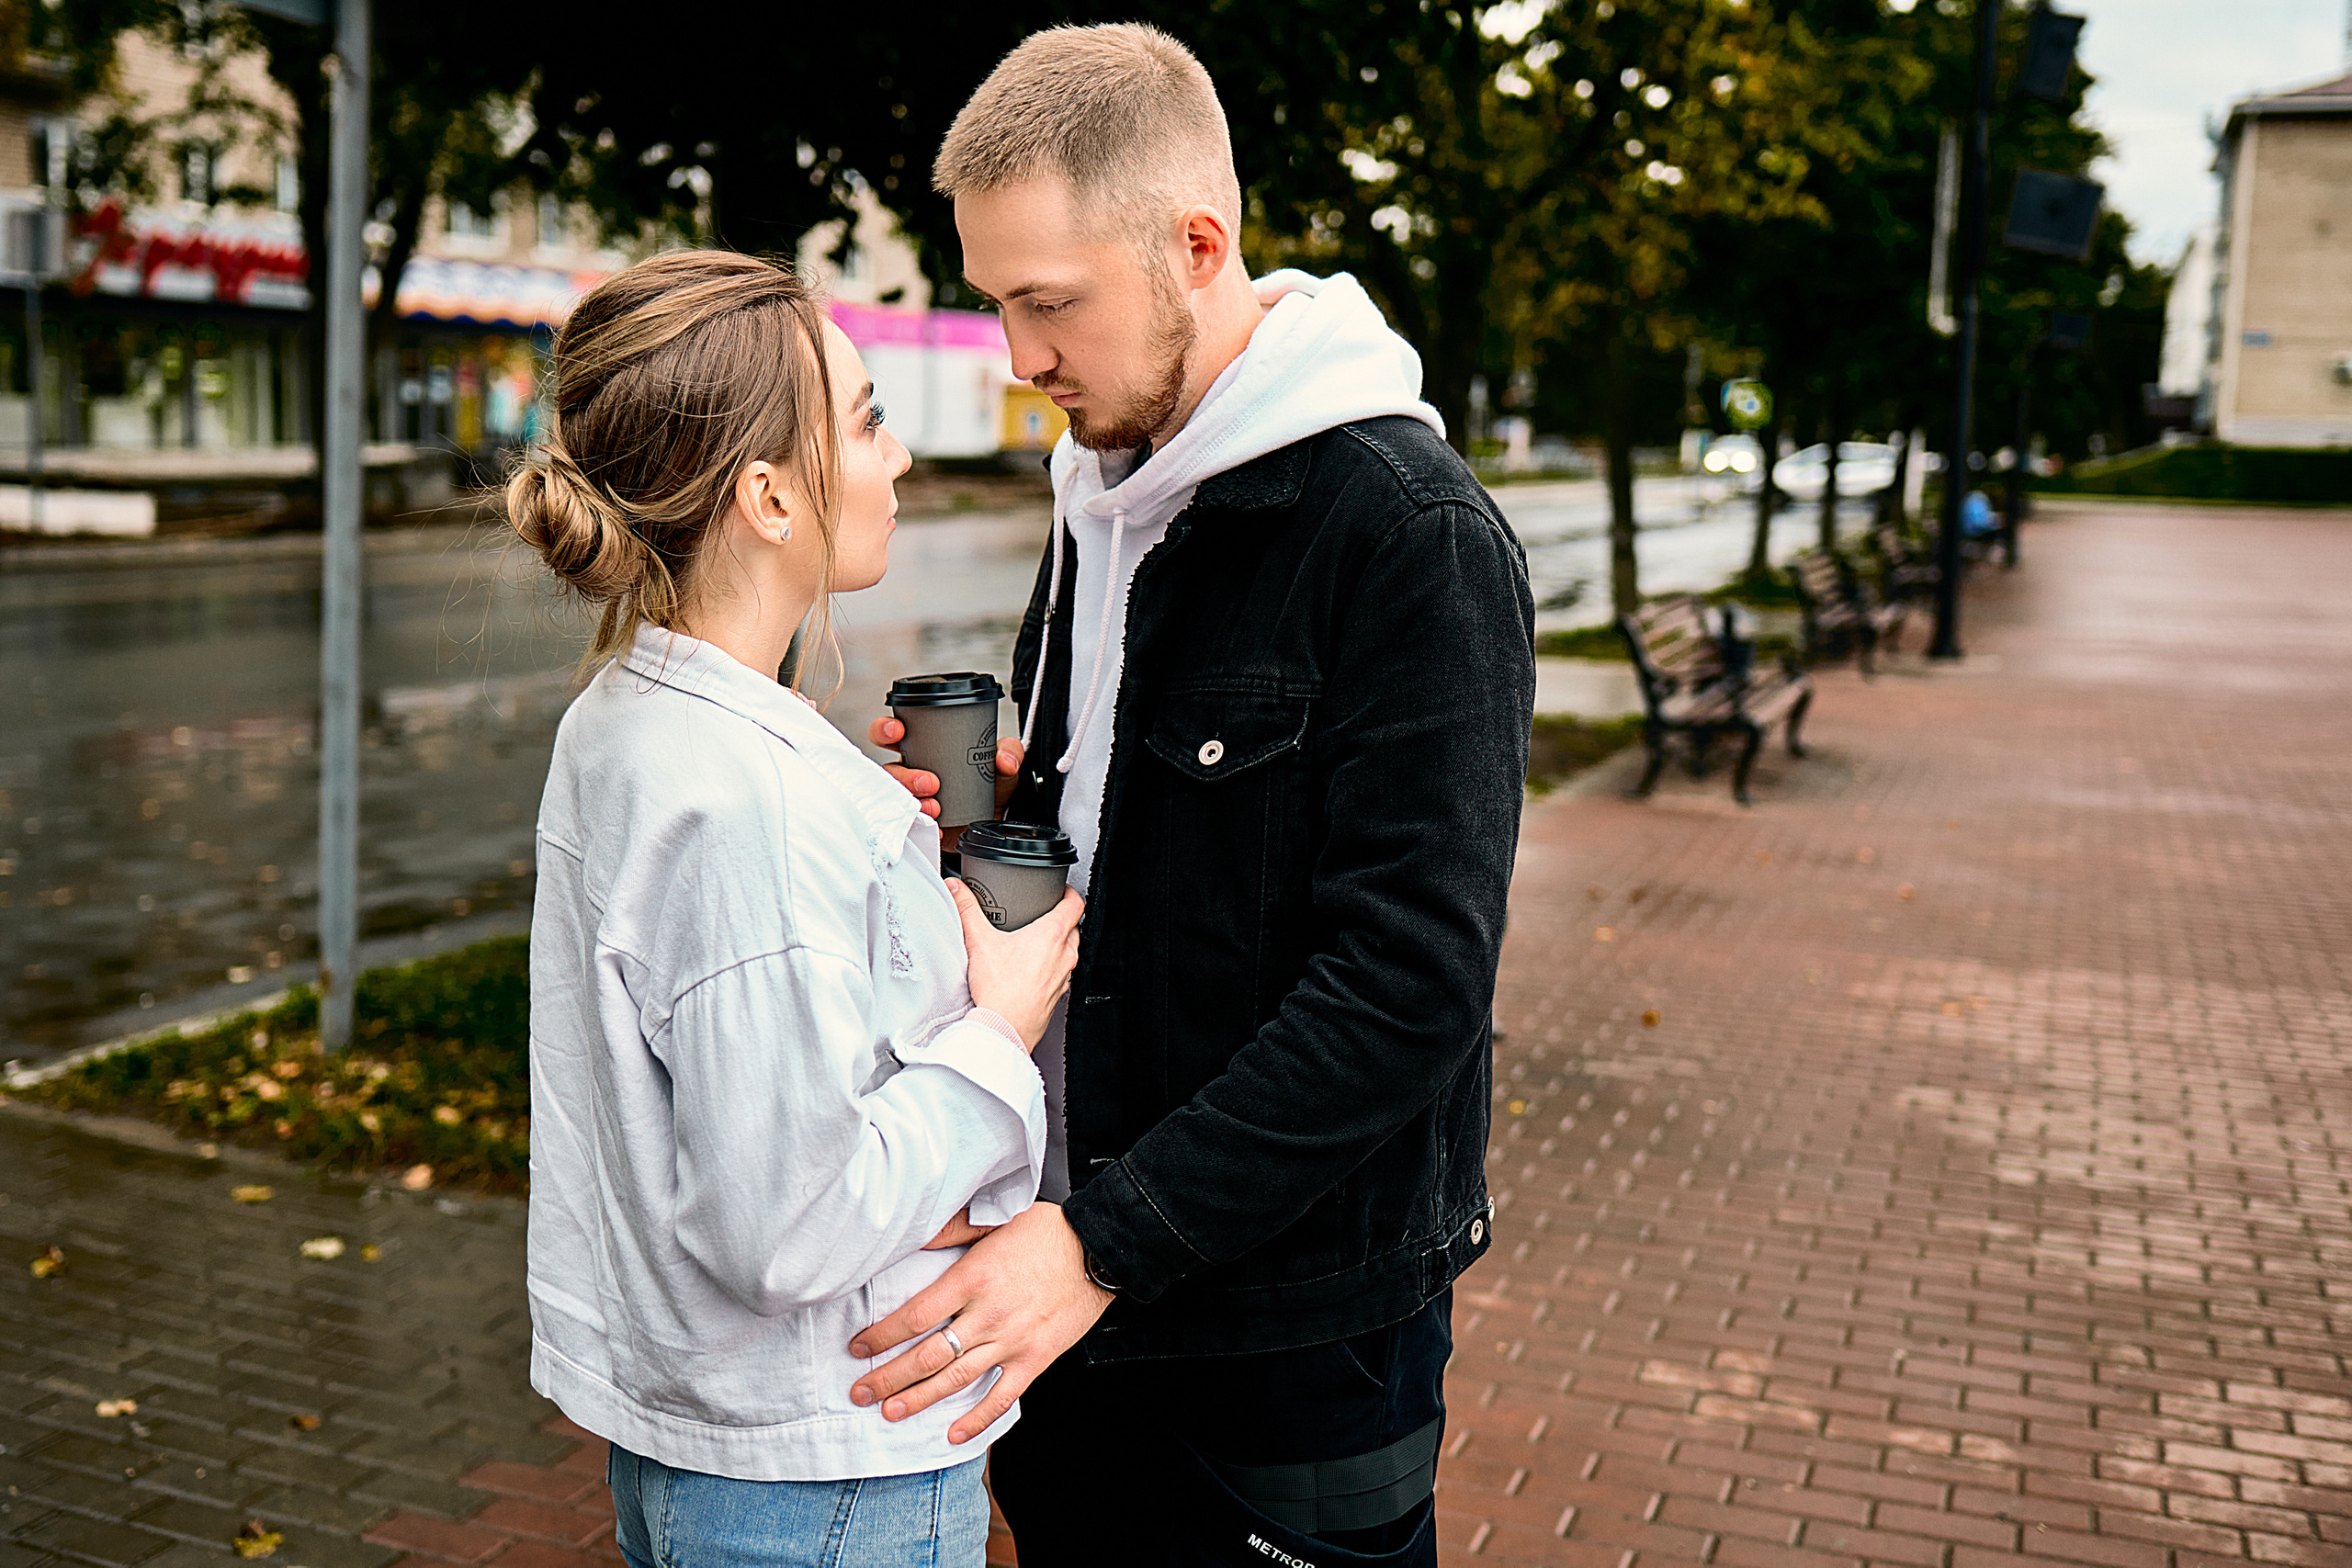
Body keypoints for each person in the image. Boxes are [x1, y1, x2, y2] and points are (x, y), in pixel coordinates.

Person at [851, 25, 1535, 1566]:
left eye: (1047, 304)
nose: (1019, 361)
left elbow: (1408, 987)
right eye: (996, 306)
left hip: (1276, 1337)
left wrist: (1101, 1244)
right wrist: (989, 823)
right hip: (1070, 1298)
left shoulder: (1405, 537)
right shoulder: (1104, 490)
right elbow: (1125, 866)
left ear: (1196, 246)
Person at [509, 250, 1083, 1568]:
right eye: (871, 422)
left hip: (713, 1445)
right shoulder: (751, 803)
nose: (898, 460)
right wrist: (996, 1026)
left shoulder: (627, 720)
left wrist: (888, 883)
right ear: (768, 495)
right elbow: (786, 1222)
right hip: (825, 1472)